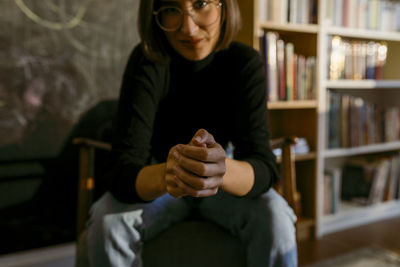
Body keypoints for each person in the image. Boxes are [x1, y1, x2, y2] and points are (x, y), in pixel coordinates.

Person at [86, 0, 298, 266]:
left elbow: (263, 166)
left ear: (224, 7)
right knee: (106, 220)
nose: (187, 28)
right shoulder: (147, 60)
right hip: (159, 177)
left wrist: (220, 170)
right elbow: (122, 170)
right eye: (171, 10)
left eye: (201, 3)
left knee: (276, 216)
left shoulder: (243, 62)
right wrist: (171, 172)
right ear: (154, 15)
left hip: (226, 182)